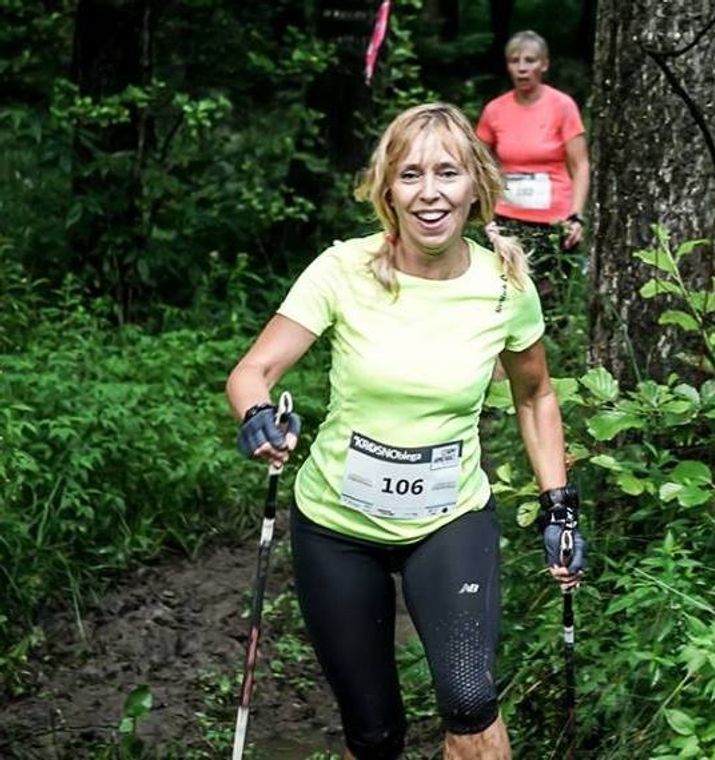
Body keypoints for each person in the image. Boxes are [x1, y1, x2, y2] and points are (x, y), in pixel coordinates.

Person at [225, 103, 586, 760]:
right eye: (411, 175)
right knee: (373, 732)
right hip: (336, 525)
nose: (430, 193)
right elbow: (255, 370)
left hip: (450, 519)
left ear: (476, 184)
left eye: (447, 173)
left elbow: (536, 395)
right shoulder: (343, 270)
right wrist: (257, 418)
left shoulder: (503, 284)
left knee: (470, 700)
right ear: (386, 189)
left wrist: (558, 505)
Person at [476, 30, 590, 299]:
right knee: (506, 294)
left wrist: (576, 216)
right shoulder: (495, 110)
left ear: (544, 64)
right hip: (507, 217)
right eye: (515, 61)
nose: (522, 68)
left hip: (553, 220)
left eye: (530, 60)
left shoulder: (562, 106)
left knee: (549, 299)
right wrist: (484, 211)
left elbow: (581, 165)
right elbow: (477, 163)